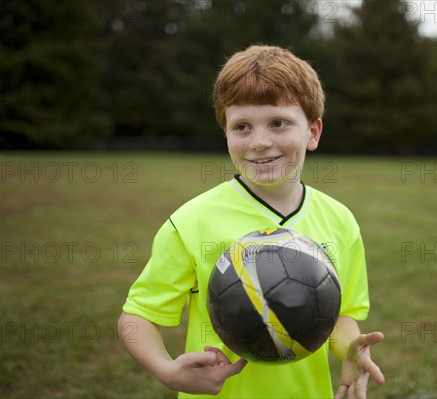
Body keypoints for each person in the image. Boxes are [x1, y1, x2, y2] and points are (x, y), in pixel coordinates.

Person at [118, 44, 384, 399]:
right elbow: (137, 317)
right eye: (242, 126)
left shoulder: (340, 221)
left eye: (278, 123)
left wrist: (351, 347)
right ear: (225, 133)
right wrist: (167, 370)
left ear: (313, 132)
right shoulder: (192, 222)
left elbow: (340, 316)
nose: (260, 142)